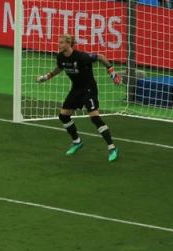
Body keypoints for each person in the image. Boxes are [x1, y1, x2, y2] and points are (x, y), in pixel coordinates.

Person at [36, 34, 121, 162]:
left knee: (95, 118)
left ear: (69, 44)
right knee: (63, 115)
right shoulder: (60, 57)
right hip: (76, 89)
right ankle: (77, 142)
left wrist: (112, 72)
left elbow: (101, 57)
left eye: (61, 42)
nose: (59, 44)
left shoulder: (82, 57)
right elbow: (59, 68)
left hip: (89, 89)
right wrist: (46, 77)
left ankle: (112, 148)